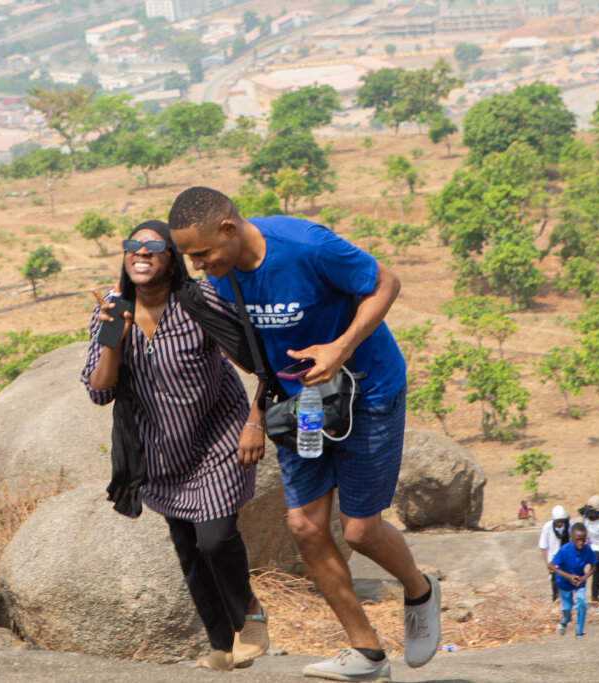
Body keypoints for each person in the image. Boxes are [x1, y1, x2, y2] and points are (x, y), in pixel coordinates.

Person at [168, 187, 439, 681]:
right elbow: (269, 353)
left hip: (367, 392)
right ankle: (366, 652)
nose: (199, 266)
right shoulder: (226, 276)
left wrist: (340, 346)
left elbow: (386, 283)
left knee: (360, 531)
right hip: (305, 406)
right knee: (306, 528)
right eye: (191, 257)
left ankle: (419, 591)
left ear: (229, 228)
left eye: (203, 253)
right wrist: (256, 413)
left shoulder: (307, 246)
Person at [80, 220, 269, 672]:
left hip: (219, 437)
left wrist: (255, 422)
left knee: (214, 538)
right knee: (188, 551)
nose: (141, 253)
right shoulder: (111, 308)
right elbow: (99, 391)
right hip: (160, 449)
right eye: (133, 246)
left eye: (154, 246)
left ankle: (249, 610)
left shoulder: (199, 300)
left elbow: (260, 358)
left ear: (172, 258)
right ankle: (222, 645)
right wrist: (113, 339)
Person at [549, 523, 597, 638]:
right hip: (564, 581)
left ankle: (579, 631)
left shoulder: (587, 550)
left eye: (583, 539)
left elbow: (594, 566)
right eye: (578, 539)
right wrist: (568, 576)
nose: (581, 542)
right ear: (571, 538)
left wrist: (584, 577)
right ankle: (565, 620)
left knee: (581, 603)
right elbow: (551, 566)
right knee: (566, 606)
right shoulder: (565, 550)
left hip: (579, 581)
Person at [538, 505, 572, 602]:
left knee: (568, 584)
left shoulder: (569, 525)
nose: (560, 523)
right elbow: (543, 546)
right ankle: (557, 605)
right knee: (555, 586)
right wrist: (547, 564)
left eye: (562, 521)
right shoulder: (548, 527)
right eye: (558, 521)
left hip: (567, 560)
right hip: (553, 561)